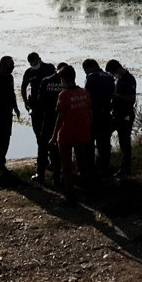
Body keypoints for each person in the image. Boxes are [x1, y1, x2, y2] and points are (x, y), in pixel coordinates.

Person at [50, 64, 92, 205]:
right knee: (83, 165)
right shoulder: (84, 92)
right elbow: (90, 113)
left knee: (66, 167)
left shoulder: (63, 95)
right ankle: (87, 194)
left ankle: (70, 198)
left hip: (66, 135)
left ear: (63, 79)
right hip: (82, 133)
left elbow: (60, 118)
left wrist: (53, 137)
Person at [32, 61, 68, 186]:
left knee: (43, 148)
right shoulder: (66, 83)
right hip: (62, 120)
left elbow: (40, 102)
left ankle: (40, 175)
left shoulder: (46, 81)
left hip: (47, 119)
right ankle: (57, 177)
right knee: (58, 150)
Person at [83, 59, 116, 177]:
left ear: (88, 68)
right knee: (105, 144)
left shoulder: (91, 77)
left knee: (89, 143)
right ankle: (104, 169)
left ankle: (91, 170)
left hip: (94, 115)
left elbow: (87, 96)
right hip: (106, 114)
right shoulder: (109, 76)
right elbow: (112, 95)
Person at [105, 59, 136, 177]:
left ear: (118, 68)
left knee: (124, 143)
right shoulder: (118, 79)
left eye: (112, 73)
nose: (112, 75)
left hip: (125, 115)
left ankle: (126, 169)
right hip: (116, 114)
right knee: (104, 135)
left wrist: (116, 96)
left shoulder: (129, 79)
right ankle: (106, 163)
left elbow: (131, 99)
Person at [21, 52, 56, 148]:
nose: (33, 65)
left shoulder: (49, 68)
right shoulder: (29, 72)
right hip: (35, 105)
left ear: (39, 59)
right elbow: (23, 88)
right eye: (31, 63)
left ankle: (53, 156)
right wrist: (26, 102)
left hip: (49, 104)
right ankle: (42, 156)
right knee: (38, 131)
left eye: (35, 62)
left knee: (50, 130)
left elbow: (57, 82)